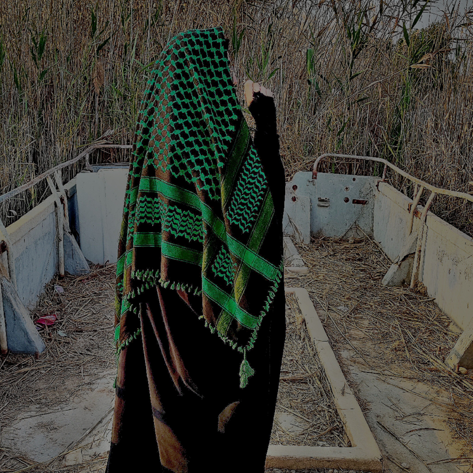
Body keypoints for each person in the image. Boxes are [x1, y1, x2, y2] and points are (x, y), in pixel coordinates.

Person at [106, 26, 285, 473]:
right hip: (222, 373)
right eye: (224, 72)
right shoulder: (230, 167)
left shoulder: (149, 172)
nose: (230, 80)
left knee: (173, 449)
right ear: (209, 85)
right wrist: (265, 123)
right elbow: (266, 217)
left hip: (165, 356)